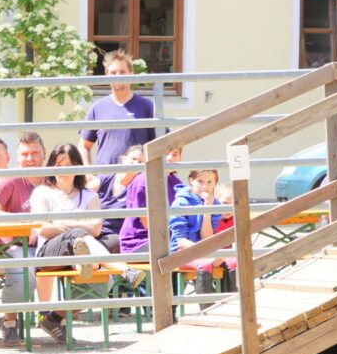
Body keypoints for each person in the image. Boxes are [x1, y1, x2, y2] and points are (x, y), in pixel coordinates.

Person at [28, 143, 108, 344]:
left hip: (82, 253)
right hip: (50, 254)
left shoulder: (90, 196)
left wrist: (60, 223)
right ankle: (118, 266)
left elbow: (97, 228)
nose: (63, 170)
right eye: (58, 164)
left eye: (68, 164)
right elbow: (42, 229)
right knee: (77, 234)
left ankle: (54, 318)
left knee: (102, 285)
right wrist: (79, 227)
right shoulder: (41, 193)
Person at [0, 132, 47, 345]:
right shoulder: (10, 180)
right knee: (24, 273)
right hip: (14, 245)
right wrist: (21, 222)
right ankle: (9, 323)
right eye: (25, 154)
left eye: (35, 153)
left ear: (44, 154)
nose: (30, 159)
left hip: (47, 244)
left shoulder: (52, 179)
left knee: (91, 270)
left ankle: (55, 318)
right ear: (17, 157)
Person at [169, 168, 236, 307]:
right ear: (191, 181)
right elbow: (180, 240)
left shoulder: (214, 203)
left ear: (215, 184)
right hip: (183, 250)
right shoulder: (181, 203)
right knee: (205, 264)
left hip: (204, 249)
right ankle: (207, 312)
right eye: (200, 181)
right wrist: (208, 253)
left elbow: (207, 237)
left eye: (210, 182)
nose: (205, 186)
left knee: (233, 262)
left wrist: (207, 209)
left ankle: (230, 307)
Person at [79, 50, 157, 169]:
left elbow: (159, 143)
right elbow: (84, 146)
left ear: (131, 73)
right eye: (113, 72)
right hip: (105, 179)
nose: (118, 76)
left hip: (136, 180)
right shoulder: (98, 107)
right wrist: (88, 174)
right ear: (106, 75)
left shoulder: (146, 106)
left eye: (122, 72)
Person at [118, 143, 184, 256]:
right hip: (139, 242)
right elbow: (147, 223)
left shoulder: (176, 182)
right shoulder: (143, 181)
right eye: (166, 154)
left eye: (175, 154)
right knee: (179, 250)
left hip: (165, 239)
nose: (169, 158)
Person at [94, 144, 145, 253]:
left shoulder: (138, 187)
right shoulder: (104, 179)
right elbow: (82, 192)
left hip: (114, 236)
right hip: (93, 232)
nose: (136, 163)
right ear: (124, 159)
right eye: (134, 159)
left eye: (140, 162)